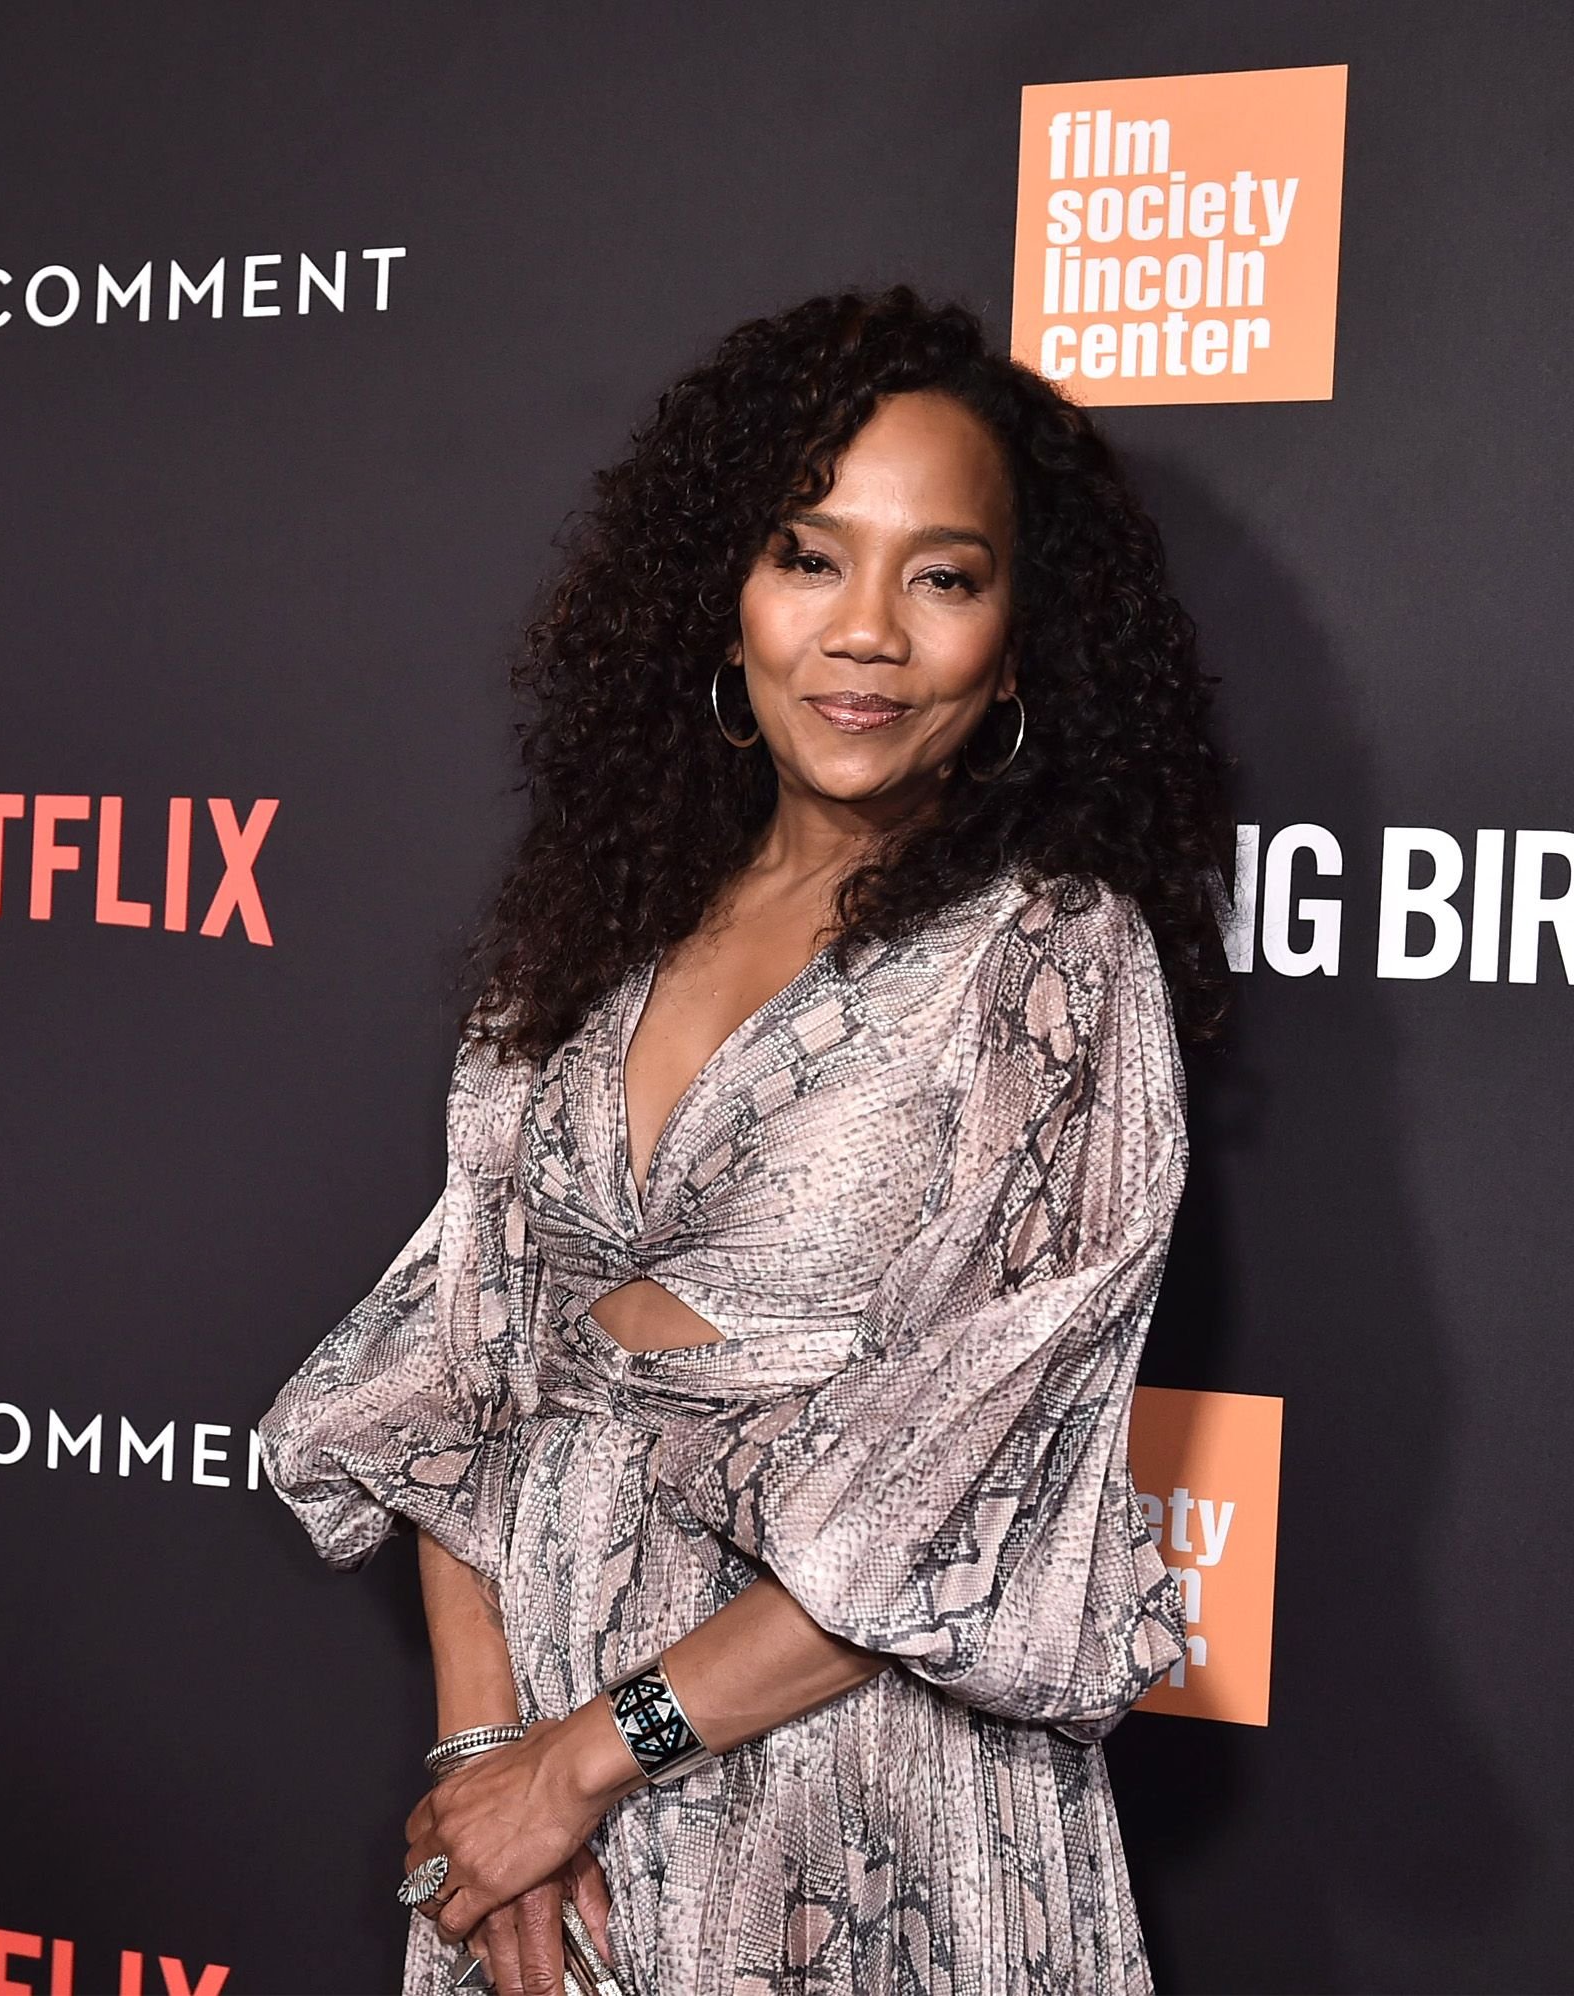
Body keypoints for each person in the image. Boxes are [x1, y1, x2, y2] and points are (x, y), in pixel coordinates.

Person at [257, 290, 1233, 1996]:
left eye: (942, 574)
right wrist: (482, 1781)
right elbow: (465, 1372)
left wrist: (581, 1762)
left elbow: (961, 1486)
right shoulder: (589, 932)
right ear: (726, 596)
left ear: (1017, 640)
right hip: (542, 1851)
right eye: (808, 557)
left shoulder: (1047, 962)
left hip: (859, 1820)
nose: (866, 633)